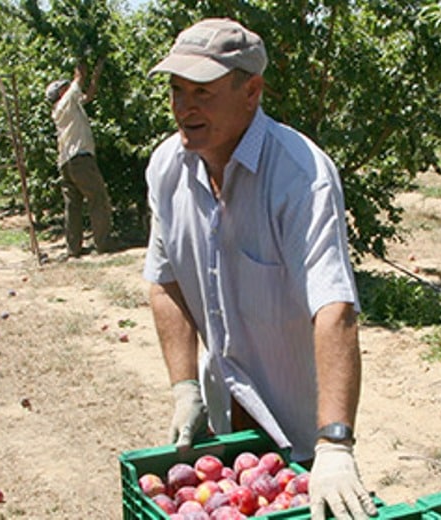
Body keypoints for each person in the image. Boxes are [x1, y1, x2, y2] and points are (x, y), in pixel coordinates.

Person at [142, 18, 378, 520]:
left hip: (300, 430)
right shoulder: (167, 168)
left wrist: (335, 442)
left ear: (251, 90)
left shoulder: (299, 175)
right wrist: (185, 387)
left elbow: (334, 305)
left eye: (202, 91)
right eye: (177, 90)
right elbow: (164, 281)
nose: (185, 107)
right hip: (225, 419)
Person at [46, 59, 115, 259]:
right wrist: (81, 61)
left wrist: (95, 77)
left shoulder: (66, 108)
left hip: (66, 162)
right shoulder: (66, 102)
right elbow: (78, 78)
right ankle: (103, 243)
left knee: (73, 205)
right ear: (61, 93)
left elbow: (88, 96)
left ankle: (73, 248)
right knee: (98, 198)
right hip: (80, 159)